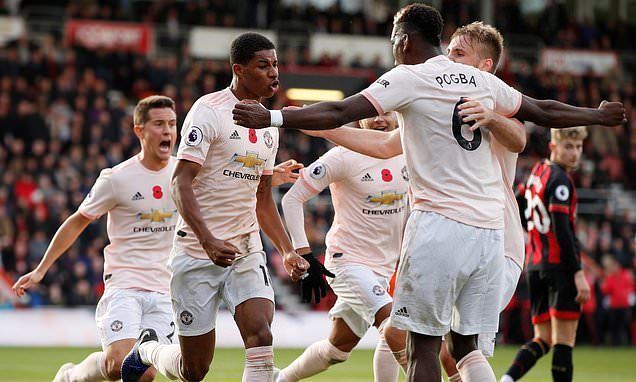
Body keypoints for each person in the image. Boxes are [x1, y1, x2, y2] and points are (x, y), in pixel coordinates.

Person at [231, 5, 625, 382]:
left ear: (403, 40)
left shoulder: (409, 78)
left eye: (392, 40)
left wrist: (273, 117)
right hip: (489, 235)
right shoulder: (483, 83)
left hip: (439, 227)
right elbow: (542, 110)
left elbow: (341, 111)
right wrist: (595, 114)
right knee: (466, 349)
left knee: (423, 346)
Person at [303, 21, 527, 382]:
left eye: (457, 53)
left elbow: (519, 135)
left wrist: (491, 118)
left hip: (489, 241)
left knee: (441, 343)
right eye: (448, 50)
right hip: (472, 237)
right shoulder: (445, 101)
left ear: (485, 66)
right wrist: (317, 124)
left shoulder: (491, 99)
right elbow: (386, 144)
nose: (446, 58)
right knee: (435, 339)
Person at [121, 33, 314, 382]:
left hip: (244, 247)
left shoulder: (270, 126)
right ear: (238, 70)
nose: (274, 73)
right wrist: (208, 240)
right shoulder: (209, 112)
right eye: (263, 65)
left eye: (275, 64)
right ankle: (148, 348)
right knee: (193, 370)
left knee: (261, 335)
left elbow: (261, 198)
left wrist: (286, 250)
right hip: (197, 251)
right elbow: (179, 182)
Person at [13, 95, 179, 382]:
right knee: (119, 366)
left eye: (172, 124)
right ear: (139, 130)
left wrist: (267, 180)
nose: (167, 131)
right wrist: (41, 269)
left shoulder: (185, 174)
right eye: (159, 124)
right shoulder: (117, 179)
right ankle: (72, 376)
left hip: (166, 288)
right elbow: (77, 222)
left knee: (145, 374)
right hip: (125, 283)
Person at [277, 112, 408, 382]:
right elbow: (292, 199)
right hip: (348, 262)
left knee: (336, 349)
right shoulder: (343, 156)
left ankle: (281, 379)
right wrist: (304, 254)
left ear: (399, 116)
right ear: (359, 120)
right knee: (396, 328)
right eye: (372, 115)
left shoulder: (409, 150)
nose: (380, 120)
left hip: (384, 266)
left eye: (387, 113)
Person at [500, 127, 591, 382]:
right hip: (559, 267)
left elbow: (517, 200)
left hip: (535, 267)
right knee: (564, 341)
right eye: (569, 147)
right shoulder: (561, 180)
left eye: (579, 147)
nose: (575, 154)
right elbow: (563, 230)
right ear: (554, 147)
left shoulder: (536, 173)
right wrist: (579, 273)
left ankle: (506, 380)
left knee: (543, 339)